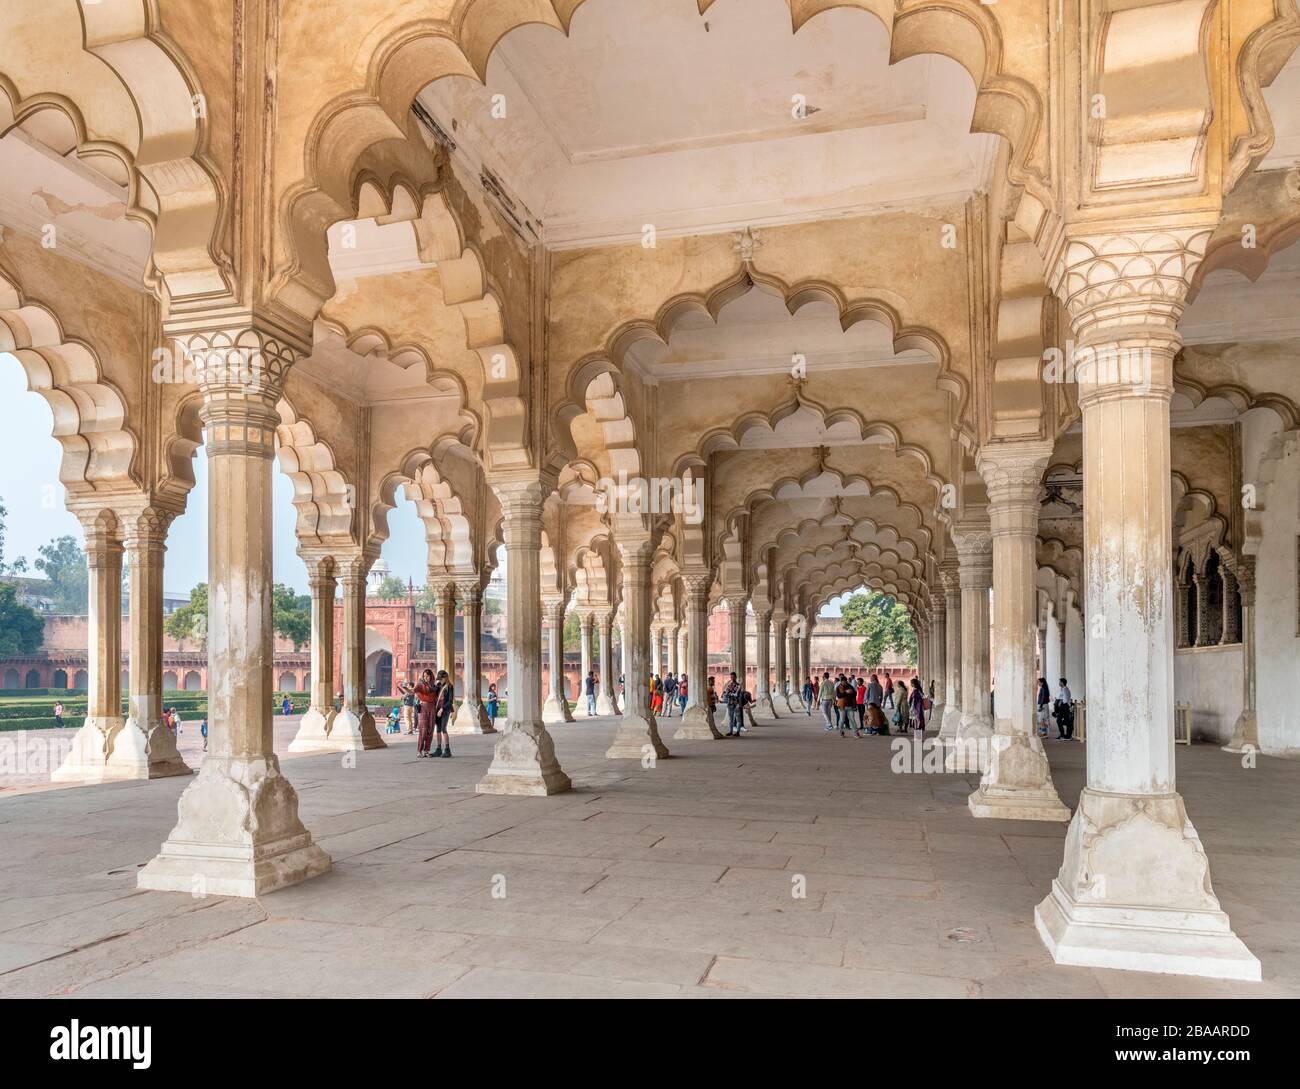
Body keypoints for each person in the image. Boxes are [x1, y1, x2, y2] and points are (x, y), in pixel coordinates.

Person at [414, 668, 438, 757]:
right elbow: (413, 690)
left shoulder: (434, 687)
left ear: (431, 676)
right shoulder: (420, 685)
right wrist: (406, 689)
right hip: (423, 707)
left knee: (430, 730)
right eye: (424, 676)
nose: (425, 678)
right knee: (423, 730)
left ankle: (426, 750)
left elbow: (438, 699)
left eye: (427, 676)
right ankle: (419, 751)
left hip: (432, 708)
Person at [432, 669, 454, 757]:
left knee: (443, 729)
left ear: (446, 678)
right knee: (438, 729)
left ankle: (447, 750)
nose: (440, 680)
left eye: (441, 679)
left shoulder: (449, 687)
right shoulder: (439, 686)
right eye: (439, 679)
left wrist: (442, 709)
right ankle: (438, 749)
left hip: (445, 709)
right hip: (437, 709)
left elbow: (450, 701)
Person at [722, 671, 744, 736]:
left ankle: (738, 732)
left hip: (736, 704)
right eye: (731, 677)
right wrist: (730, 694)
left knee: (738, 719)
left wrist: (729, 694)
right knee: (730, 719)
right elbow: (726, 694)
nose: (732, 678)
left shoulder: (738, 685)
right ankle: (731, 731)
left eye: (733, 677)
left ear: (735, 677)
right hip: (730, 703)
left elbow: (736, 694)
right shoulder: (729, 685)